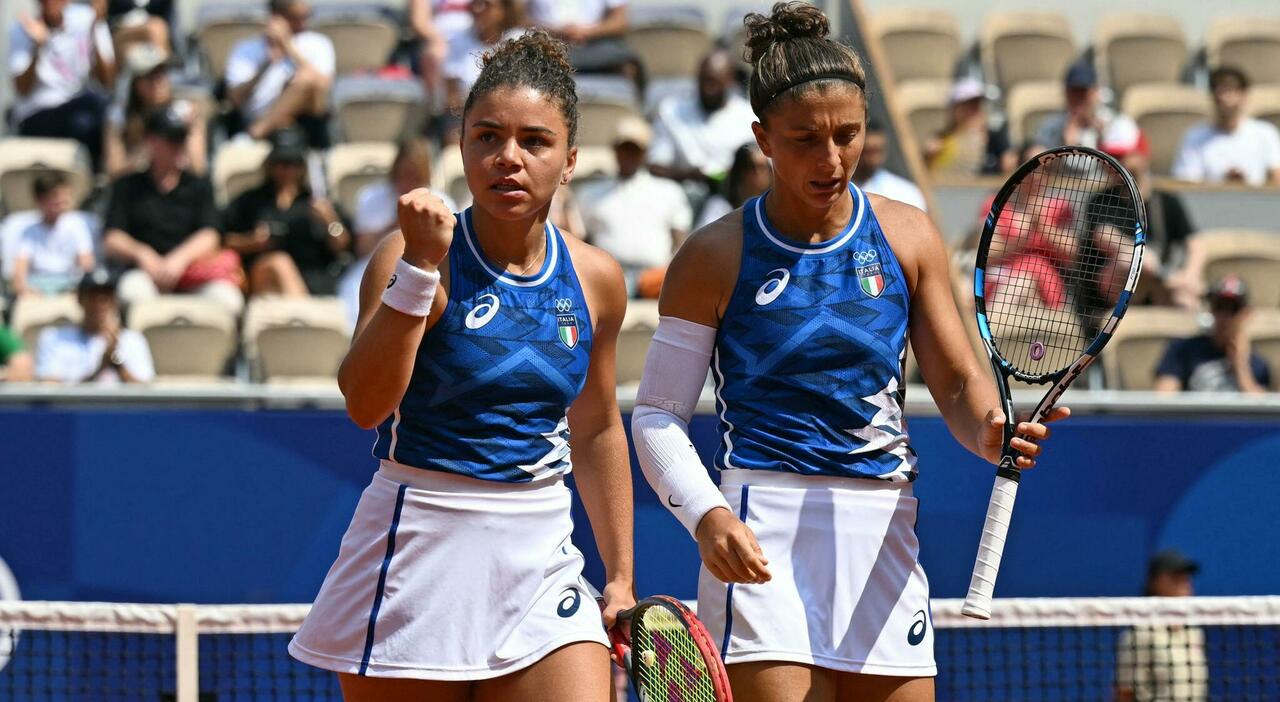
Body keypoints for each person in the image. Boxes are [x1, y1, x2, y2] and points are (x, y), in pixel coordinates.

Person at [629, 4, 1067, 701]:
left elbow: (955, 383)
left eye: (848, 135)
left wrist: (991, 430)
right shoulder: (713, 255)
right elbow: (655, 415)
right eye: (805, 139)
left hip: (882, 531)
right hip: (760, 528)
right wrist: (707, 515)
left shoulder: (908, 235)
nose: (831, 158)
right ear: (763, 139)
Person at [288, 31, 635, 701]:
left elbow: (594, 427)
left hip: (541, 557)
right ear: (462, 146)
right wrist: (419, 268)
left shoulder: (597, 281)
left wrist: (619, 574)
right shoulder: (408, 256)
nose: (508, 157)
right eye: (487, 136)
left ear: (569, 161)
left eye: (534, 141)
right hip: (420, 546)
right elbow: (365, 403)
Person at [103, 107, 244, 313]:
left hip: (192, 271)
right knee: (131, 293)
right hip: (146, 273)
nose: (178, 146)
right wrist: (143, 255)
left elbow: (211, 234)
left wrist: (178, 260)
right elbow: (112, 238)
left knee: (228, 300)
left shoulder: (199, 186)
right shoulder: (127, 186)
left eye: (181, 139)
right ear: (151, 141)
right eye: (171, 140)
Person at [338, 138, 457, 328]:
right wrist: (396, 222)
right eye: (403, 175)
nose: (408, 182)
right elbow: (362, 250)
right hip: (370, 270)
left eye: (414, 177)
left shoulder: (443, 203)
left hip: (425, 273)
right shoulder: (372, 197)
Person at [222, 128, 349, 297]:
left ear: (302, 167)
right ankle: (304, 315)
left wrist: (329, 220)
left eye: (293, 163)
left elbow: (343, 247)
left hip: (314, 279)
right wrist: (251, 241)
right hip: (263, 276)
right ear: (270, 164)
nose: (286, 170)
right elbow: (223, 240)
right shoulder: (251, 201)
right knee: (279, 263)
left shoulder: (317, 203)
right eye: (280, 163)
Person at [1085, 121, 1196, 309]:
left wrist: (1189, 275)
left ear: (1141, 155)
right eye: (1109, 157)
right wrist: (1152, 265)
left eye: (1120, 156)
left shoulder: (1165, 201)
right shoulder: (1101, 200)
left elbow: (1196, 243)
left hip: (1159, 288)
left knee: (1187, 301)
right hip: (1113, 295)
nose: (1112, 164)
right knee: (1128, 259)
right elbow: (1104, 237)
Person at [579, 116, 692, 298]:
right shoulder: (591, 193)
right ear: (615, 150)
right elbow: (582, 240)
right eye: (624, 149)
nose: (628, 155)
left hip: (655, 280)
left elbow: (680, 240)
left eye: (634, 150)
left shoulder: (669, 191)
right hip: (607, 277)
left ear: (645, 152)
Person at [9, 0, 116, 170]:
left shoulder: (87, 19)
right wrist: (38, 47)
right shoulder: (23, 29)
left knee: (99, 114)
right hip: (37, 115)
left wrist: (95, 28)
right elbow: (22, 89)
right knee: (89, 111)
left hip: (78, 108)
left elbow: (107, 81)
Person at [225, 0, 335, 142]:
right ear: (276, 17)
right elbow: (235, 99)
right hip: (258, 115)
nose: (304, 23)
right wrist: (266, 65)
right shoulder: (245, 49)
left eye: (307, 16)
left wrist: (288, 47)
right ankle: (268, 125)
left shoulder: (318, 43)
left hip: (307, 120)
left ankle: (256, 133)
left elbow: (323, 85)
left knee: (306, 78)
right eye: (296, 17)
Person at [648, 48, 758, 187]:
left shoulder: (747, 116)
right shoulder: (671, 112)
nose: (708, 89)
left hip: (733, 193)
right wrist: (688, 176)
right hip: (685, 190)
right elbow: (656, 166)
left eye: (714, 82)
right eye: (704, 80)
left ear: (729, 81)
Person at [1114, 550, 1208, 702]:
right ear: (1155, 582)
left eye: (1186, 577)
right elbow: (1125, 692)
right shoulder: (1140, 633)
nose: (1184, 583)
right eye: (1175, 577)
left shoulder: (1193, 630)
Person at [34, 268, 155, 385]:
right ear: (80, 299)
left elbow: (145, 392)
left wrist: (115, 361)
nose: (100, 303)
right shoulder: (54, 339)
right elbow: (51, 392)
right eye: (93, 296)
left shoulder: (133, 340)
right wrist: (99, 370)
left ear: (114, 301)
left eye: (106, 297)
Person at [104, 43, 207, 178]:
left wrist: (188, 133)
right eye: (150, 75)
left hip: (179, 187)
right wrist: (143, 157)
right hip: (136, 188)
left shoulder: (185, 111)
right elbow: (113, 171)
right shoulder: (120, 119)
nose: (158, 81)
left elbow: (197, 169)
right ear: (135, 84)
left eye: (162, 73)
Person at [1154, 276, 1271, 394]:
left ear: (1245, 314)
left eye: (1233, 308)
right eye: (1219, 306)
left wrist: (1241, 366)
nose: (1224, 316)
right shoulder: (1183, 349)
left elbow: (1259, 408)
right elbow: (1164, 399)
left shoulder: (1256, 364)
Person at [1172, 66, 1280, 186]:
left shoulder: (1266, 133)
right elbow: (1185, 185)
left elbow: (1276, 179)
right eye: (1219, 90)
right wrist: (1224, 183)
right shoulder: (1194, 137)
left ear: (1244, 95)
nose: (1225, 98)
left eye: (1231, 90)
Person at [441, 0, 526, 143]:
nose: (478, 9)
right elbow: (451, 97)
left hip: (513, 120)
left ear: (504, 10)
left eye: (486, 4)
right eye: (475, 3)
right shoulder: (457, 41)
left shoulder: (520, 41)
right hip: (468, 121)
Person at [7, 173, 96, 297]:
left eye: (65, 196)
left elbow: (86, 264)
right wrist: (24, 291)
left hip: (70, 287)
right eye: (55, 196)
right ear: (40, 200)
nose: (61, 201)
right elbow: (20, 269)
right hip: (36, 288)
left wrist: (82, 289)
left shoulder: (77, 225)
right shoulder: (28, 232)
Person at [525, 0, 638, 89]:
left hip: (595, 44)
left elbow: (620, 21)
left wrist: (589, 32)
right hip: (545, 44)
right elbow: (518, 18)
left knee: (627, 65)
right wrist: (557, 32)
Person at [1034, 60, 1138, 151]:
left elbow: (1132, 164)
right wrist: (1063, 145)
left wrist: (1103, 137)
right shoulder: (1050, 127)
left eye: (1083, 92)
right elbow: (1038, 164)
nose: (1078, 98)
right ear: (1065, 93)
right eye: (1073, 92)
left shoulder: (1117, 123)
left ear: (1096, 93)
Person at [924, 76, 1013, 176]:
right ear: (955, 109)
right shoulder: (939, 140)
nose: (974, 110)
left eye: (977, 104)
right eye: (969, 105)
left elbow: (1008, 167)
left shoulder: (996, 140)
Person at [853, 120, 928, 211]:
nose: (873, 158)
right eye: (869, 151)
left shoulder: (904, 193)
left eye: (878, 151)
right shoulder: (838, 190)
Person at [695, 143, 771, 230]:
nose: (758, 173)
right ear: (740, 171)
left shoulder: (775, 208)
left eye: (763, 167)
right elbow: (705, 238)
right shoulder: (720, 206)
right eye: (751, 167)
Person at [104, 0, 172, 59]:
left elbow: (167, 19)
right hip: (117, 32)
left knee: (157, 28)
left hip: (152, 32)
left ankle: (162, 68)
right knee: (154, 29)